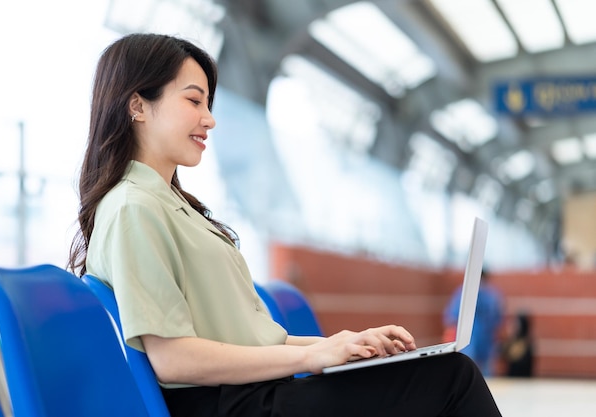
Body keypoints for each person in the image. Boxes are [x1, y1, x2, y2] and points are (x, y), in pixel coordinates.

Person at [68, 33, 502, 417]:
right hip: (227, 403)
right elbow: (173, 360)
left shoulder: (167, 206)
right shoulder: (133, 208)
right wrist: (313, 356)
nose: (210, 119)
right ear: (138, 106)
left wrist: (343, 344)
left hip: (248, 393)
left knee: (433, 375)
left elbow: (248, 340)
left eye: (208, 104)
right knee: (450, 378)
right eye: (193, 100)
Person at [444, 268, 503, 376]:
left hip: (480, 340)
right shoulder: (490, 295)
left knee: (471, 370)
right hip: (474, 340)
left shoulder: (466, 293)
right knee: (474, 371)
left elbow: (450, 318)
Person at [501, 311, 534, 377]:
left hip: (521, 380)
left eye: (516, 325)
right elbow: (503, 355)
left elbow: (513, 355)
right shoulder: (513, 341)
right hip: (512, 379)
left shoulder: (525, 343)